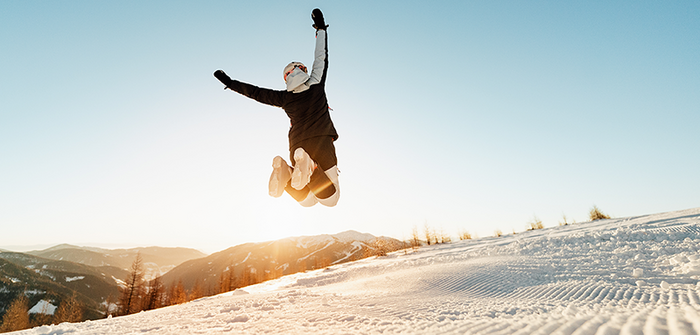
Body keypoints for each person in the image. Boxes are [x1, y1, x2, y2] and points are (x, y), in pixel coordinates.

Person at [214, 8, 339, 207]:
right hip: (321, 142)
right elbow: (321, 57)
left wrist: (230, 82)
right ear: (303, 70)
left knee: (307, 202)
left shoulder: (283, 98)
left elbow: (255, 92)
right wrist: (321, 28)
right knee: (332, 199)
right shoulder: (315, 83)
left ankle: (287, 173)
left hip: (297, 146)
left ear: (286, 79)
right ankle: (312, 169)